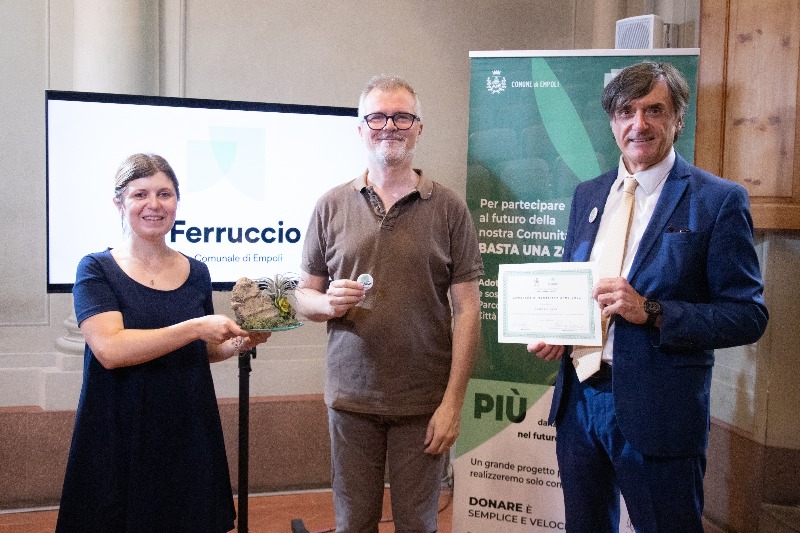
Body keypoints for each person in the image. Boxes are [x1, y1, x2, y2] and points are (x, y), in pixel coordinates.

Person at [527, 61, 768, 532]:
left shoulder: (717, 200)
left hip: (660, 412)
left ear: (678, 119)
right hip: (579, 401)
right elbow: (574, 287)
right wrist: (557, 331)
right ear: (612, 122)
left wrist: (651, 310)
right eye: (626, 111)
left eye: (654, 110)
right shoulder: (588, 195)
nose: (639, 124)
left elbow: (747, 315)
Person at [295, 75, 483, 532]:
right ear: (360, 128)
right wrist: (326, 304)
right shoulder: (330, 205)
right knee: (354, 524)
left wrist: (452, 403)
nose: (389, 127)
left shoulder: (449, 208)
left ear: (419, 128)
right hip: (351, 398)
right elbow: (302, 296)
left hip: (423, 402)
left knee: (417, 525)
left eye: (402, 117)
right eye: (377, 117)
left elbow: (468, 310)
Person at [56, 153, 271, 533]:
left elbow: (200, 350)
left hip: (187, 429)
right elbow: (110, 350)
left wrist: (241, 342)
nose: (153, 204)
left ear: (176, 202)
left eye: (164, 194)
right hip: (120, 430)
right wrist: (195, 327)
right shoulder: (95, 269)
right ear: (119, 203)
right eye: (140, 194)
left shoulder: (197, 271)